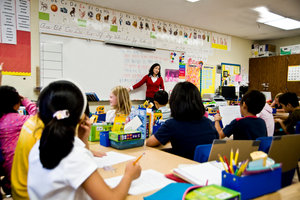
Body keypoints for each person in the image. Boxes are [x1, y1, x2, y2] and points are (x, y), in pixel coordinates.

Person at [27, 80, 141, 200]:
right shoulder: (74, 155)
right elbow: (111, 198)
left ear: (39, 115)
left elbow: (84, 161)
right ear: (82, 115)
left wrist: (83, 139)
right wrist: (129, 175)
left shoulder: (39, 146)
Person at [11, 105, 105, 200]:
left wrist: (83, 142)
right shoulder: (51, 136)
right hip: (27, 195)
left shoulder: (36, 124)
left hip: (22, 189)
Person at [146, 81, 218, 160]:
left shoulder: (172, 124)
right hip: (205, 168)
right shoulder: (208, 122)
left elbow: (150, 143)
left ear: (174, 102)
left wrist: (166, 138)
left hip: (182, 167)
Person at [0, 86, 37, 194]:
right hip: (20, 173)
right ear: (16, 104)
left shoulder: (2, 119)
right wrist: (25, 101)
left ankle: (9, 183)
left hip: (7, 168)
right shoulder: (16, 120)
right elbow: (38, 117)